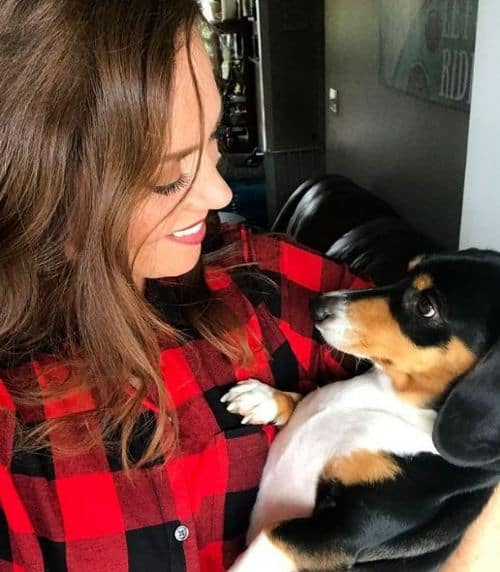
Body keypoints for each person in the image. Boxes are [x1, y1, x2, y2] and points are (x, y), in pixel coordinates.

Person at [0, 1, 497, 571]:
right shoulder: (14, 426)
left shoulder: (274, 285)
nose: (220, 197)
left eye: (212, 142)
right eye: (168, 179)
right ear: (46, 193)